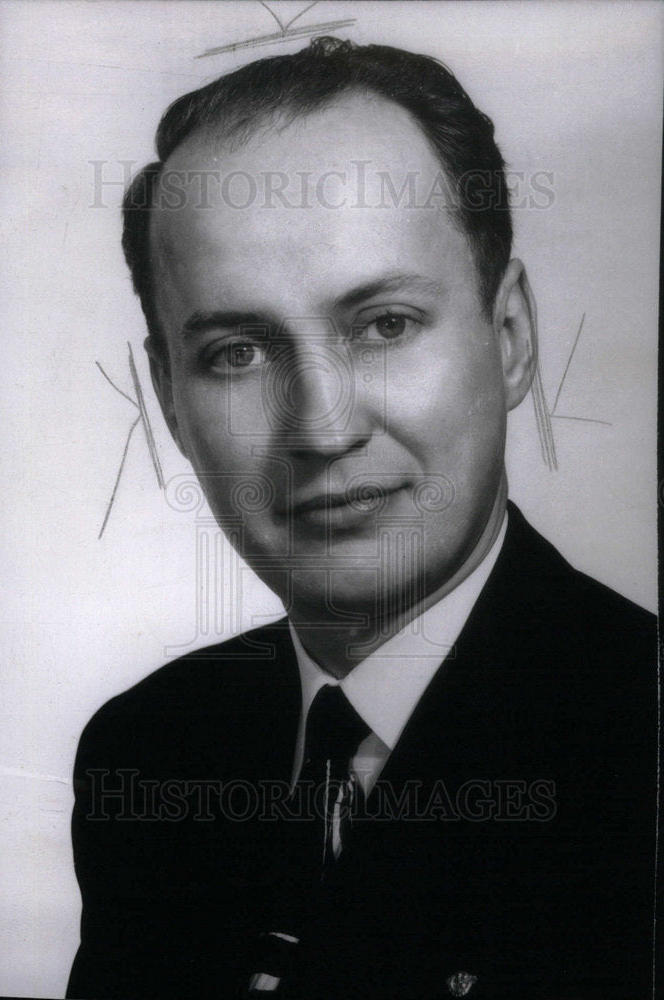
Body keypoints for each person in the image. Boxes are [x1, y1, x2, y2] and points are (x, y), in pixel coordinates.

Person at [67, 38, 656, 999]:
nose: (322, 428)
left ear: (509, 341)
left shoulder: (645, 735)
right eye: (238, 353)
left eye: (383, 325)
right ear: (170, 400)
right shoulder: (146, 754)